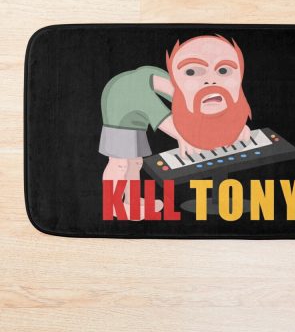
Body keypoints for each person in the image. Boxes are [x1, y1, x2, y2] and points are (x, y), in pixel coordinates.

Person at [99, 35, 252, 219]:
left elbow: (203, 119)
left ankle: (133, 201)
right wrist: (184, 137)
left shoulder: (185, 89)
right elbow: (165, 118)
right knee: (119, 163)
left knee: (135, 162)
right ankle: (113, 205)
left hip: (138, 114)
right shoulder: (142, 92)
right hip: (119, 105)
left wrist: (233, 129)